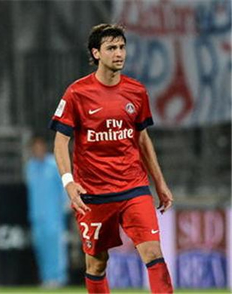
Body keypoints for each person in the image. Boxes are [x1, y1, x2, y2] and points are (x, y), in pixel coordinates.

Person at [49, 24, 173, 293]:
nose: (119, 53)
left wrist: (159, 182)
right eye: (111, 48)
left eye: (122, 47)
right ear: (96, 53)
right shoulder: (76, 93)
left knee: (153, 251)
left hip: (133, 187)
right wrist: (69, 184)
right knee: (96, 264)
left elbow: (142, 139)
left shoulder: (137, 92)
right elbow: (60, 141)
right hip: (93, 193)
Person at [25, 136, 68, 288]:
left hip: (54, 216)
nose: (37, 150)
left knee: (55, 248)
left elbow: (65, 188)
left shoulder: (54, 164)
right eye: (34, 147)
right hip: (37, 216)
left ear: (44, 147)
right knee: (41, 248)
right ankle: (46, 278)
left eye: (39, 146)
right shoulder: (30, 167)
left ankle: (58, 278)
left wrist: (66, 205)